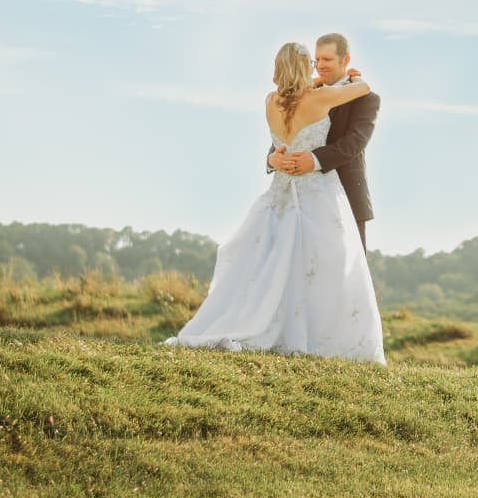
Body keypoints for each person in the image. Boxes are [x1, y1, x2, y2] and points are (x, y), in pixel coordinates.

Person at [165, 41, 385, 364]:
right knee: (327, 268)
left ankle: (272, 325)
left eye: (324, 60)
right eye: (313, 61)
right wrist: (355, 76)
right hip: (317, 194)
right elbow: (363, 87)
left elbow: (286, 145)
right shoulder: (321, 97)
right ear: (304, 66)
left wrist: (275, 159)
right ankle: (317, 337)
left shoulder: (270, 101)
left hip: (280, 195)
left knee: (273, 266)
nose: (317, 66)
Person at [268, 33, 380, 252]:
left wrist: (315, 160)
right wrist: (272, 159)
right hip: (292, 200)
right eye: (317, 59)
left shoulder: (366, 99)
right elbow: (282, 139)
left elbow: (355, 143)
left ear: (345, 61)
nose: (320, 65)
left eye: (327, 60)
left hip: (345, 198)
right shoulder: (299, 95)